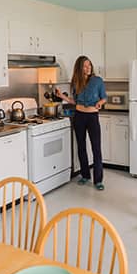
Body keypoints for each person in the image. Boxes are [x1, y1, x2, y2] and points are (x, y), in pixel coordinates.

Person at [56, 56, 107, 190]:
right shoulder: (76, 81)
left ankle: (98, 180)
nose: (88, 68)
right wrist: (62, 97)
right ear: (79, 68)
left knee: (96, 148)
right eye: (85, 66)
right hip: (79, 116)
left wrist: (100, 103)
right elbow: (75, 101)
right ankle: (85, 175)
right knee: (81, 147)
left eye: (89, 65)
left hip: (92, 116)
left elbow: (104, 98)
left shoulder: (97, 81)